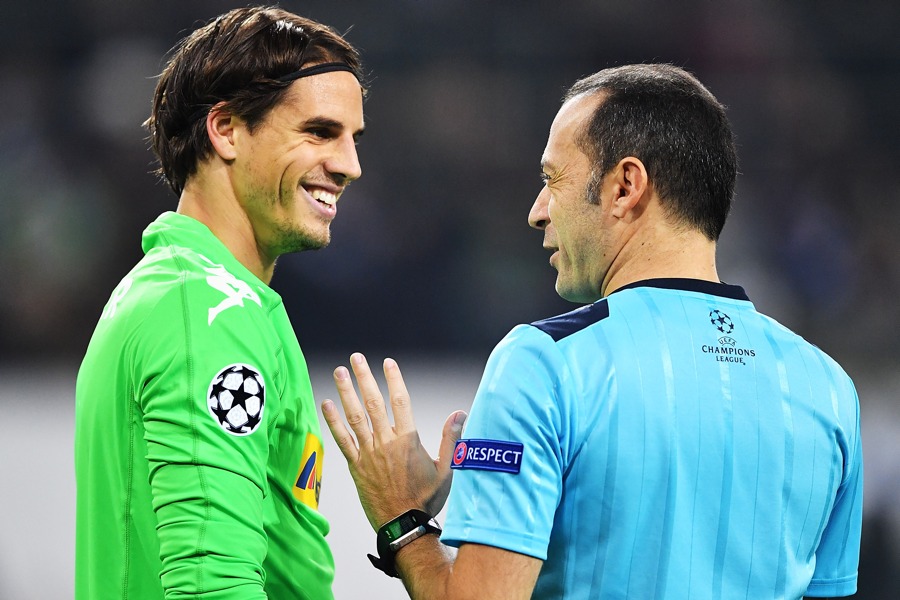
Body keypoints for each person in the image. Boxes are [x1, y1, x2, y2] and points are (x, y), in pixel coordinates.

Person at [322, 64, 863, 599]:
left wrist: (402, 519)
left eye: (552, 179)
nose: (537, 212)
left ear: (625, 186)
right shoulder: (830, 389)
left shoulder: (543, 364)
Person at [74, 6, 365, 599]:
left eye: (352, 139)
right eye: (319, 132)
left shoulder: (193, 294)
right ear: (226, 129)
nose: (349, 165)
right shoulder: (207, 314)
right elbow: (214, 586)